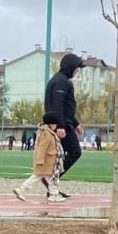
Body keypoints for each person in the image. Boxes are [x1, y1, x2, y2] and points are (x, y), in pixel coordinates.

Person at [43, 52, 84, 191]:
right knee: (74, 152)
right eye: (76, 68)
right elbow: (58, 105)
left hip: (65, 122)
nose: (77, 71)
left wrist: (76, 122)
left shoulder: (60, 80)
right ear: (70, 67)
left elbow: (67, 107)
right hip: (62, 125)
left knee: (61, 154)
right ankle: (51, 178)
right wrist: (60, 125)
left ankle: (52, 185)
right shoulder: (61, 81)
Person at [12, 113, 63, 202]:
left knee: (40, 178)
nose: (56, 126)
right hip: (47, 162)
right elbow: (42, 148)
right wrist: (40, 161)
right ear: (51, 124)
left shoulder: (47, 133)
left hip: (47, 162)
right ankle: (54, 195)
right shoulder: (46, 134)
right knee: (52, 179)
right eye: (55, 124)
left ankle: (22, 190)